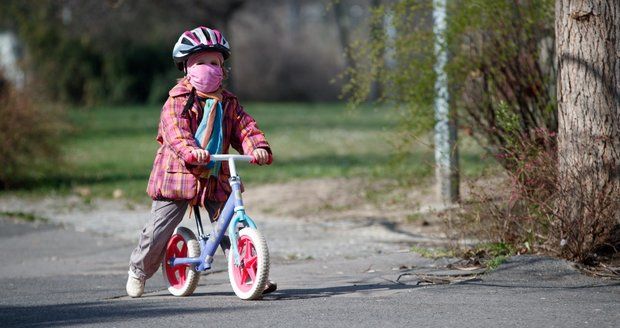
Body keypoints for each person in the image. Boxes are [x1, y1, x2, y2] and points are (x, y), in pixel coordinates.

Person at [126, 26, 274, 298]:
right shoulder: (177, 101)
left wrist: (258, 147)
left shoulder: (229, 103)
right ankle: (139, 270)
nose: (209, 68)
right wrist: (192, 151)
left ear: (223, 69)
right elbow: (176, 132)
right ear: (187, 69)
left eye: (214, 63)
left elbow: (245, 128)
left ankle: (250, 273)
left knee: (232, 225)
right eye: (201, 62)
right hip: (178, 175)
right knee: (159, 230)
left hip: (216, 174)